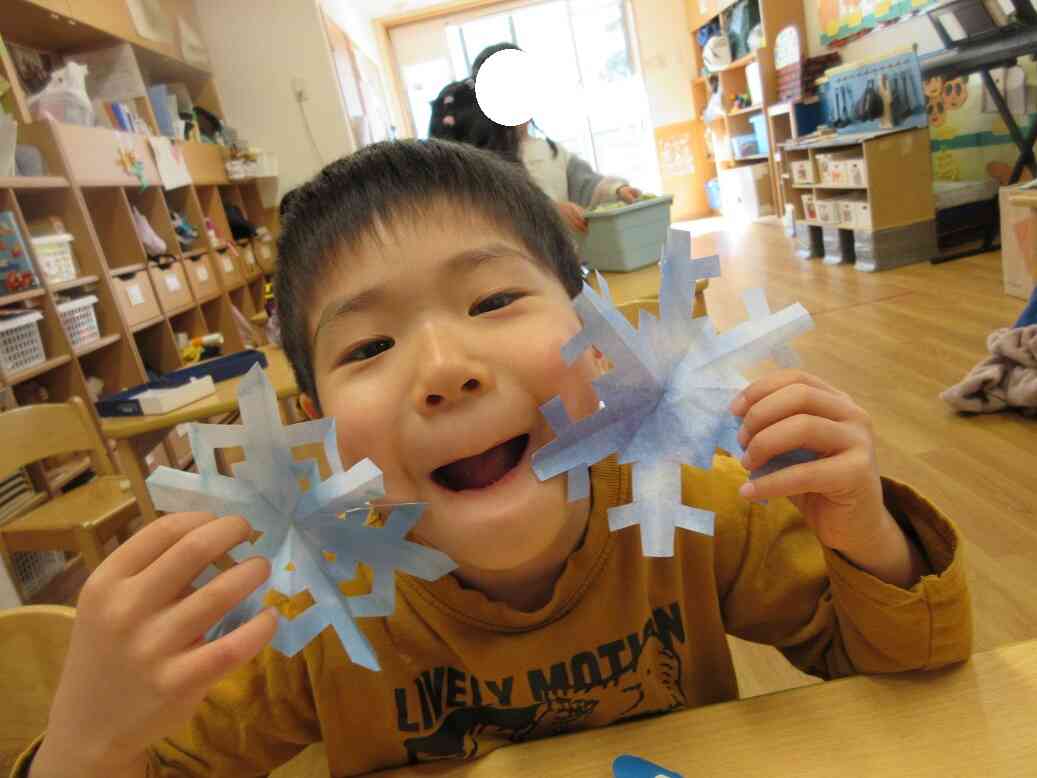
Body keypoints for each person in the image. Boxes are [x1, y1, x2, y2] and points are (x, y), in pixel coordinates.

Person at [20, 140, 972, 778]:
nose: (444, 370)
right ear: (314, 425)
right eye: (367, 349)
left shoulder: (692, 508)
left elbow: (909, 677)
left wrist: (868, 538)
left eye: (491, 303)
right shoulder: (309, 609)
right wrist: (77, 745)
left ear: (595, 338)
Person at [429, 42, 643, 235]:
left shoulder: (550, 152)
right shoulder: (483, 162)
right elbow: (490, 216)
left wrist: (617, 190)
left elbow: (586, 184)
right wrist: (550, 213)